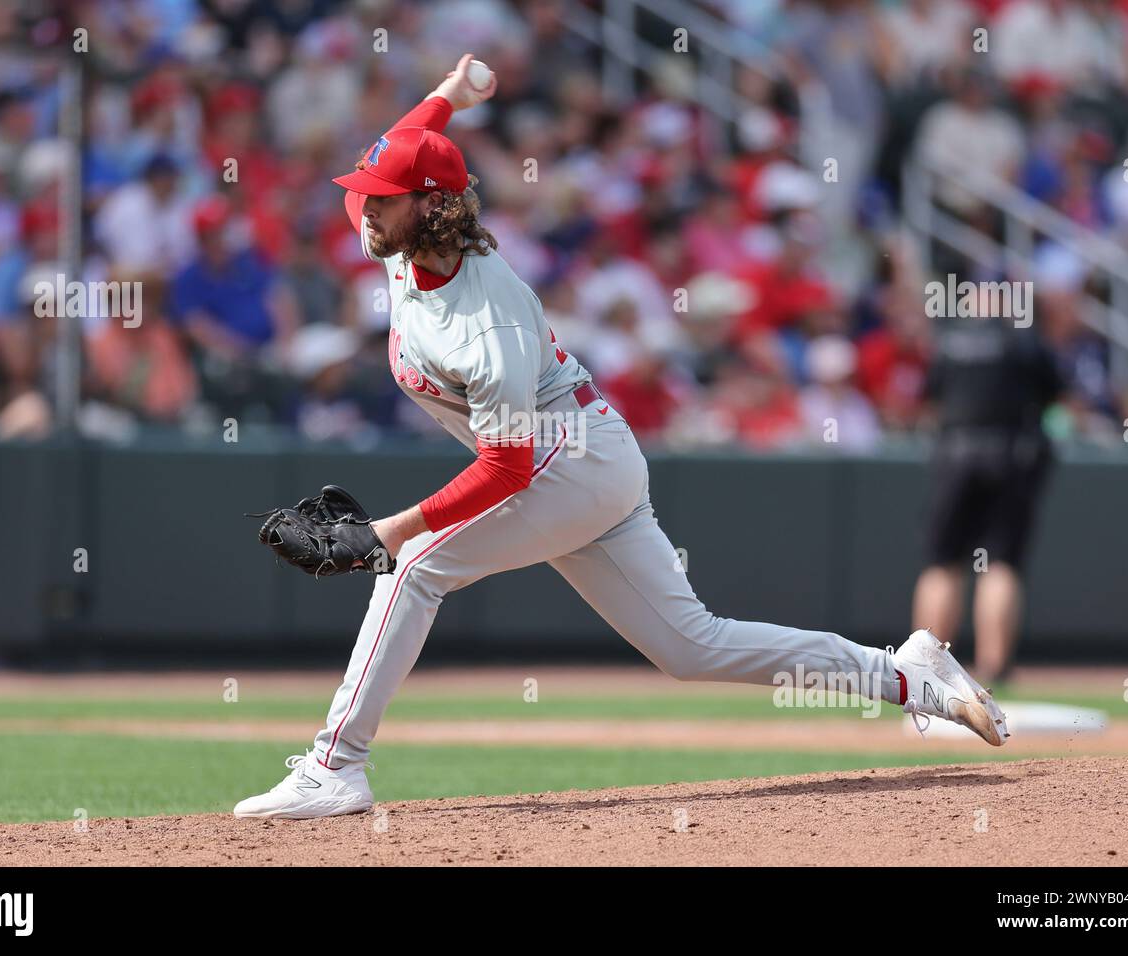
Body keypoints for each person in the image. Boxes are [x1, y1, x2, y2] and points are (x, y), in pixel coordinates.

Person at [233, 55, 1010, 821]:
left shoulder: (485, 320)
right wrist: (448, 95)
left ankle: (337, 766)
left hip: (562, 460)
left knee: (413, 569)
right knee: (691, 646)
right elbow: (400, 143)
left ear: (432, 206)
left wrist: (391, 531)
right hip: (587, 456)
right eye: (365, 194)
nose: (363, 208)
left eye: (382, 199)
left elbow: (507, 467)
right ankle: (908, 674)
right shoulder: (397, 236)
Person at [913, 292, 1064, 687]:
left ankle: (922, 666)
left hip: (955, 456)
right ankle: (994, 667)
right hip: (1011, 457)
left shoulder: (948, 343)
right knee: (1000, 564)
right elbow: (1056, 397)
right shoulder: (1025, 344)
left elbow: (929, 399)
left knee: (942, 562)